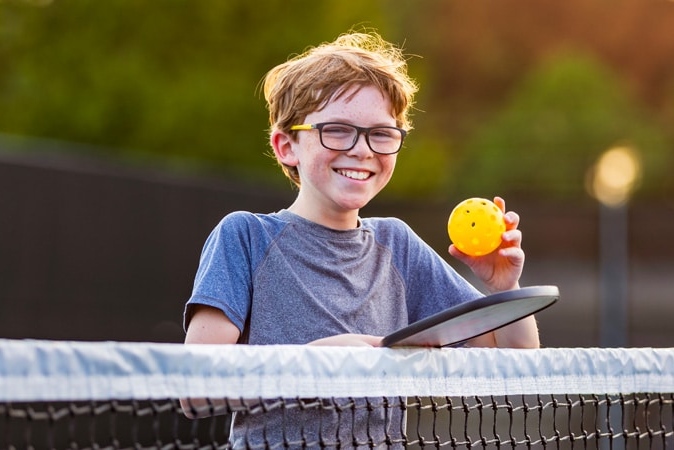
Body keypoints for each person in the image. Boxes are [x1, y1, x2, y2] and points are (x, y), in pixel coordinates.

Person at [182, 31, 540, 448]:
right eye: (337, 130)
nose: (362, 150)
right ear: (286, 146)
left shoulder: (397, 244)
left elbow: (515, 365)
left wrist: (504, 288)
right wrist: (315, 363)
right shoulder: (244, 237)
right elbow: (195, 390)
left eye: (381, 134)